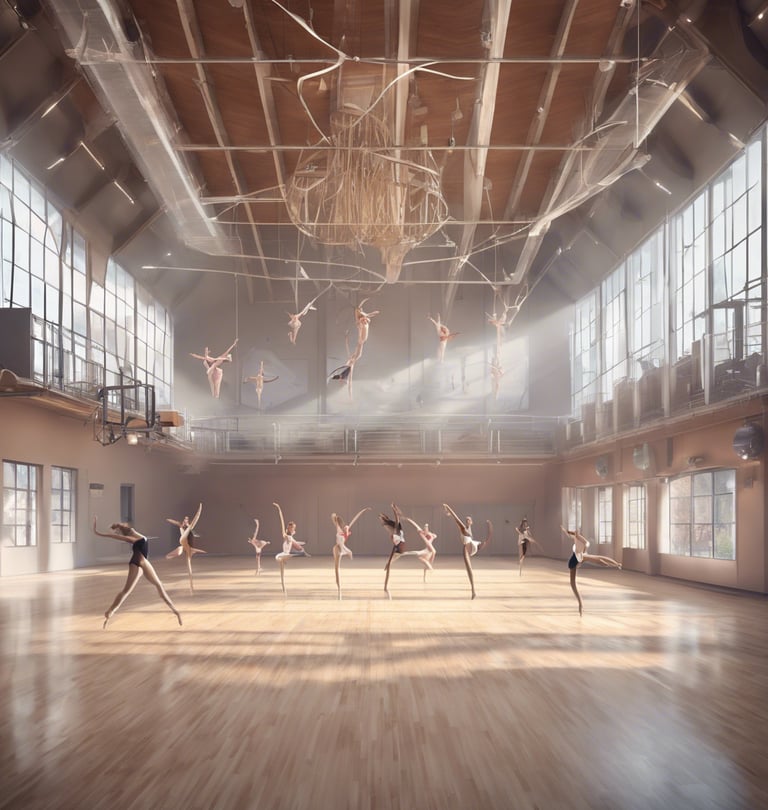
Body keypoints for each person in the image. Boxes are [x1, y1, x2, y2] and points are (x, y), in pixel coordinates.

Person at [92, 503, 201, 628]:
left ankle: (175, 612)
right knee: (130, 590)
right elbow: (114, 536)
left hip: (141, 563)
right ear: (129, 532)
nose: (133, 530)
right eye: (130, 530)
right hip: (138, 562)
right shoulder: (134, 539)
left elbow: (123, 534)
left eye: (131, 530)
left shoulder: (141, 537)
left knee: (156, 586)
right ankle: (110, 612)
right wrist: (98, 532)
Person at [560, 526, 622, 616]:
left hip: (577, 559)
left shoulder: (580, 540)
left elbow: (575, 536)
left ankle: (580, 604)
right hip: (575, 561)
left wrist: (615, 564)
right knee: (573, 584)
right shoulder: (580, 540)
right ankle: (580, 604)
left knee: (573, 584)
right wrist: (612, 564)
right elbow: (575, 535)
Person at [443, 503, 492, 599]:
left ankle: (490, 528)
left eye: (469, 519)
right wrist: (448, 508)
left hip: (473, 545)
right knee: (469, 570)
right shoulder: (464, 528)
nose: (467, 520)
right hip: (467, 548)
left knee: (486, 542)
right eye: (466, 519)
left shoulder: (469, 529)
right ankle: (473, 591)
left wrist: (489, 526)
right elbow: (456, 518)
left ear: (472, 522)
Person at [165, 510, 208, 594]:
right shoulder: (182, 525)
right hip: (182, 541)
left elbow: (195, 520)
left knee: (189, 568)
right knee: (183, 542)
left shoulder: (190, 528)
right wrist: (168, 520)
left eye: (187, 519)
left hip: (185, 546)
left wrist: (199, 511)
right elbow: (176, 522)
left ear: (188, 521)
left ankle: (191, 588)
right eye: (185, 519)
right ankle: (173, 554)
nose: (185, 520)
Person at [331, 507, 370, 599]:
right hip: (337, 548)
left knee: (338, 567)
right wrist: (335, 517)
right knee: (336, 568)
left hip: (342, 548)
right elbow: (333, 518)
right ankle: (339, 586)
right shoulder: (339, 529)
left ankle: (339, 586)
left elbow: (355, 518)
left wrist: (363, 510)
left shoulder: (345, 529)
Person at [379, 504, 406, 596]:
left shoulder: (397, 528)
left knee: (388, 565)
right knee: (388, 565)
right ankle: (385, 586)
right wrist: (389, 560)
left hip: (400, 547)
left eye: (382, 518)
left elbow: (397, 518)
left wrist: (393, 509)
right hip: (397, 547)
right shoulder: (393, 531)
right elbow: (394, 547)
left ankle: (385, 586)